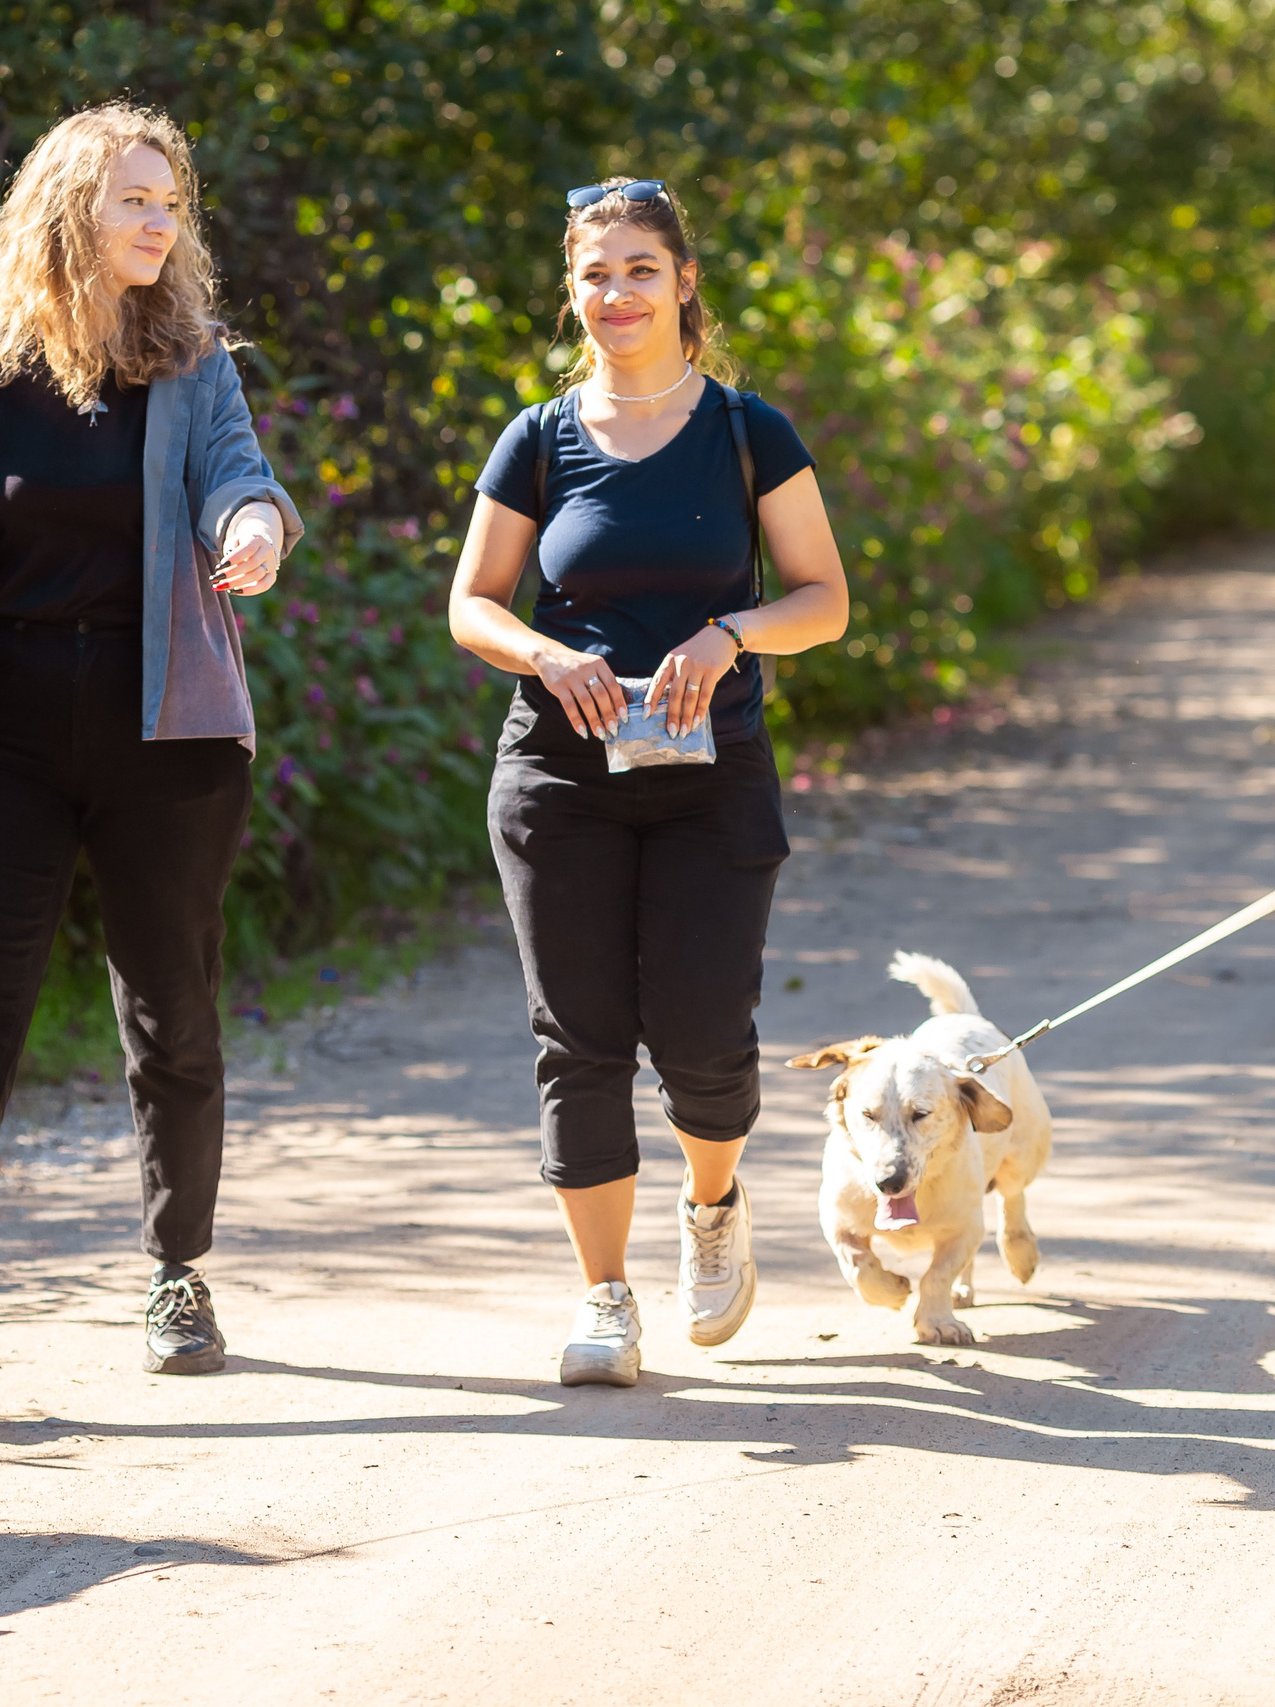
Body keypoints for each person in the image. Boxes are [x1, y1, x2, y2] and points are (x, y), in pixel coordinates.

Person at [0, 104, 302, 1399]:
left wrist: (255, 531)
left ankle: (178, 1267)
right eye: (135, 200)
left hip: (160, 726)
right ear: (71, 209)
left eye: (170, 203)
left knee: (168, 1005)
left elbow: (243, 478)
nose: (161, 222)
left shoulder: (193, 361)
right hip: (0, 719)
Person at [447, 177, 849, 1387]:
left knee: (702, 1040)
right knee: (577, 1040)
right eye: (593, 274)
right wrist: (547, 650)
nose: (614, 293)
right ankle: (603, 1298)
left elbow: (823, 600)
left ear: (683, 283)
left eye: (638, 269)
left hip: (708, 780)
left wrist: (728, 634)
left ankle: (713, 1204)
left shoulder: (746, 431)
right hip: (557, 778)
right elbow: (473, 603)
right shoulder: (537, 437)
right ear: (571, 295)